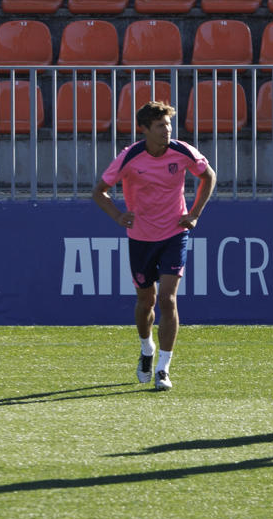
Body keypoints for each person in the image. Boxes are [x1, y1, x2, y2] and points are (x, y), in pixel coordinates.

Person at [91, 100, 215, 392]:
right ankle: (147, 349)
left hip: (174, 234)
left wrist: (194, 214)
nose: (167, 130)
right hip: (141, 239)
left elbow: (208, 176)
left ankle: (163, 367)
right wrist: (119, 215)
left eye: (169, 125)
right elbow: (99, 192)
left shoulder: (182, 151)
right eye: (160, 126)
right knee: (145, 301)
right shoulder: (129, 156)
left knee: (168, 299)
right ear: (144, 129)